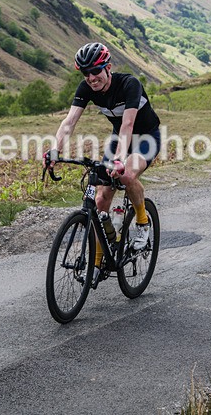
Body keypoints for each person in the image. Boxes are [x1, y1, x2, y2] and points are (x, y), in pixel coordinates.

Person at [47, 42, 161, 259]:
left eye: (95, 71)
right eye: (85, 73)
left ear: (108, 67)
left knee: (126, 175)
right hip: (119, 138)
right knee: (100, 199)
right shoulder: (86, 88)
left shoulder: (130, 84)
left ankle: (143, 223)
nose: (91, 78)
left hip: (146, 137)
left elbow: (128, 124)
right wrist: (55, 151)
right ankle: (99, 260)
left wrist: (119, 160)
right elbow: (69, 122)